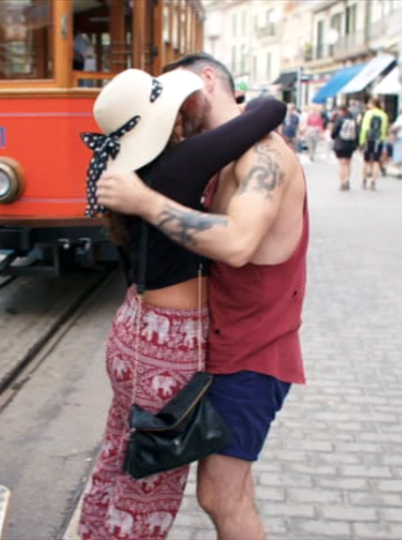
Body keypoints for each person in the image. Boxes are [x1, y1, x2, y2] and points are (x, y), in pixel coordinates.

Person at [96, 53, 308, 540]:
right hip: (215, 346)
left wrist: (145, 202)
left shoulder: (264, 155)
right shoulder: (212, 153)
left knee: (220, 496)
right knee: (232, 492)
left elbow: (236, 243)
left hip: (250, 352)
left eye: (173, 91)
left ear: (206, 80)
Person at [358, 97, 388, 190]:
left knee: (366, 161)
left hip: (368, 140)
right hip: (379, 140)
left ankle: (364, 180)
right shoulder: (384, 115)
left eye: (369, 103)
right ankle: (373, 182)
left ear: (373, 104)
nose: (368, 105)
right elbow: (385, 129)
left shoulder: (369, 113)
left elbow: (365, 129)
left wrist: (361, 141)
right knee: (376, 161)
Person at [331, 105, 358, 191]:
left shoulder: (340, 119)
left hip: (341, 143)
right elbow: (357, 132)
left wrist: (333, 137)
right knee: (348, 163)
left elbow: (334, 131)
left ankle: (342, 182)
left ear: (341, 111)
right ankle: (347, 180)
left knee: (342, 164)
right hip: (350, 144)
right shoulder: (353, 119)